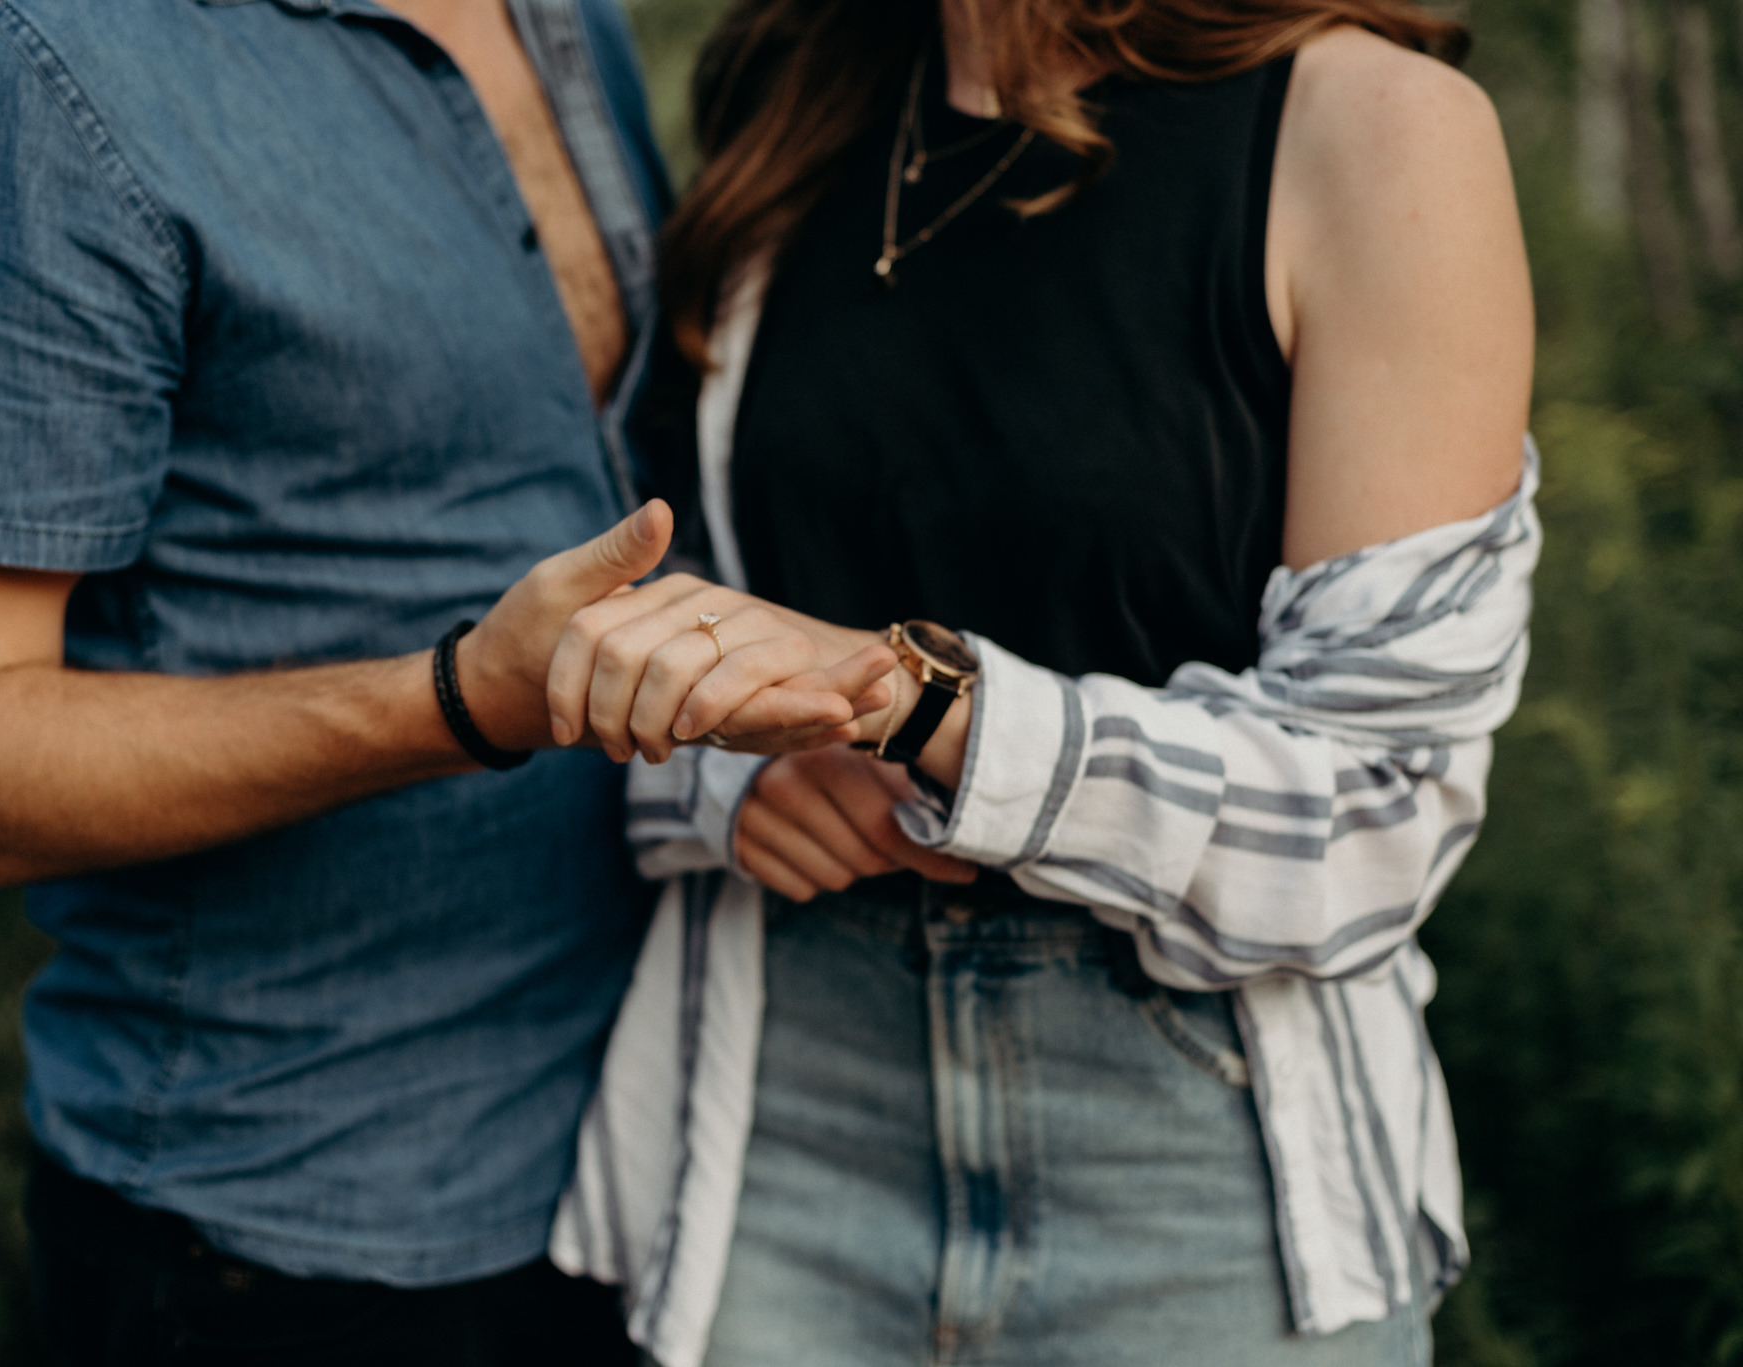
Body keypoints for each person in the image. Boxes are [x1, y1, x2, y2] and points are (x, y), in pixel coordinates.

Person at [0, 1, 892, 1362]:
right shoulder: (28, 78)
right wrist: (456, 701)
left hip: (643, 1174)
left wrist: (740, 764)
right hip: (290, 1231)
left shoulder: (554, 15)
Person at [541, 0, 1539, 1364]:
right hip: (786, 1108)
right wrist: (737, 779)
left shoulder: (1375, 130)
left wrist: (934, 710)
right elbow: (656, 615)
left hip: (1195, 1147)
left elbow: (1382, 807)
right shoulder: (793, 108)